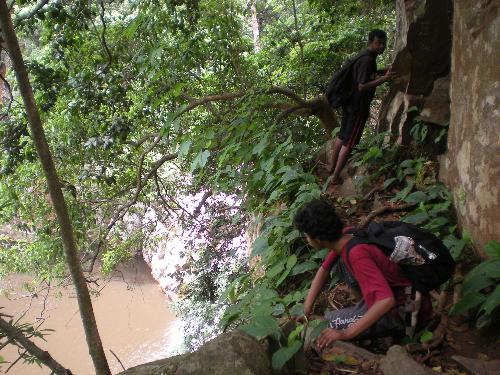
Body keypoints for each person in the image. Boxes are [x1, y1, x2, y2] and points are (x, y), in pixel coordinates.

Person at [293, 199, 432, 349]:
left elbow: (386, 301)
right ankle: (366, 311)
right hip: (404, 293)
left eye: (307, 236)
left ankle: (396, 329)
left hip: (403, 312)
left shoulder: (356, 255)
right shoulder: (349, 234)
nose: (307, 240)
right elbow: (324, 270)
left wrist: (346, 333)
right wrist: (306, 308)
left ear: (318, 239)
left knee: (321, 328)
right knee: (339, 265)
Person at [328, 29, 396, 182]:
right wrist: (384, 79)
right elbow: (362, 86)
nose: (381, 46)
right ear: (371, 42)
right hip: (358, 108)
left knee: (342, 136)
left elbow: (365, 76)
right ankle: (336, 176)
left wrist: (382, 73)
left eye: (383, 43)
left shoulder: (364, 56)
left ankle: (331, 167)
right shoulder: (368, 60)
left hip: (349, 104)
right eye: (378, 43)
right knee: (350, 142)